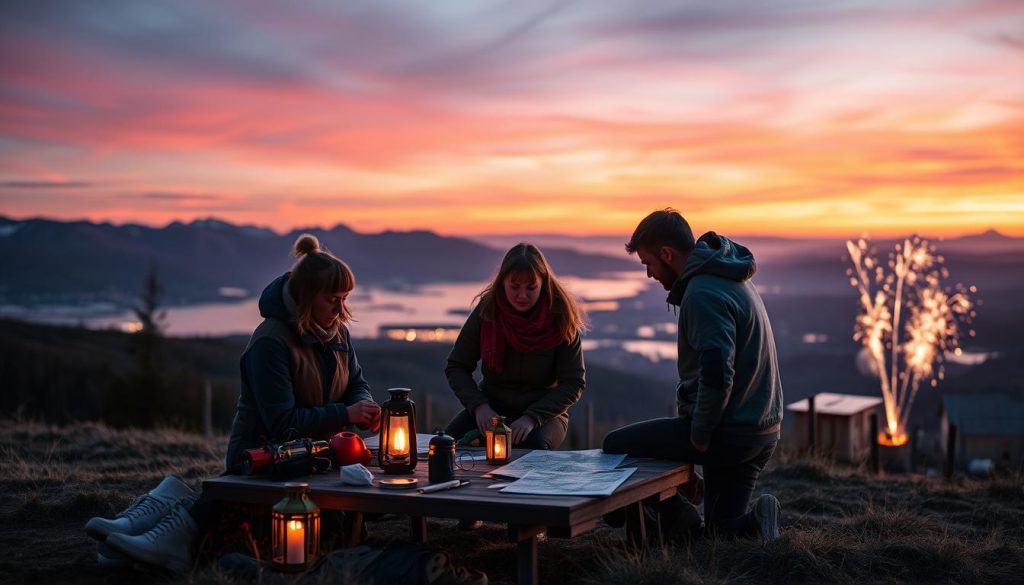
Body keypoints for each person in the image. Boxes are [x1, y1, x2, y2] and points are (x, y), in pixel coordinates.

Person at [85, 234, 381, 572]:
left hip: (313, 453)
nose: (341, 309)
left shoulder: (337, 332)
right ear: (306, 297)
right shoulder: (271, 342)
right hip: (262, 454)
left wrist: (364, 405)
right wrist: (344, 413)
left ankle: (156, 513)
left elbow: (355, 382)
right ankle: (159, 535)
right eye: (332, 300)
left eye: (344, 299)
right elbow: (282, 423)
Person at [602, 209, 784, 543]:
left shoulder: (702, 294)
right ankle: (757, 522)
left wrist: (699, 434)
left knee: (615, 446)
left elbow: (717, 374)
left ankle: (677, 515)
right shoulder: (731, 276)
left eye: (648, 263)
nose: (649, 274)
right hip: (761, 431)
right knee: (720, 531)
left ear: (667, 254)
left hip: (728, 433)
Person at [445, 243, 586, 452]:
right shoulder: (488, 311)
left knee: (531, 452)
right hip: (491, 409)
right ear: (503, 282)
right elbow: (456, 366)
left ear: (543, 284)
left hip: (544, 414)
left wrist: (532, 417)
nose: (522, 295)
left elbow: (573, 382)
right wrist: (479, 407)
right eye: (514, 286)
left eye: (531, 288)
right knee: (446, 446)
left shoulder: (561, 318)